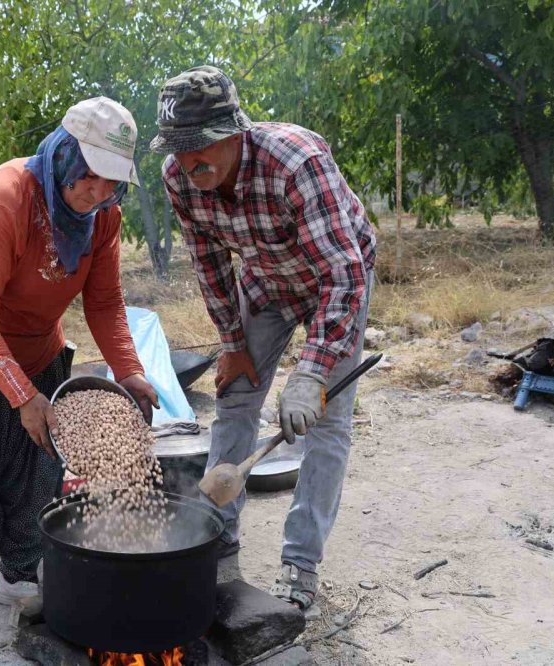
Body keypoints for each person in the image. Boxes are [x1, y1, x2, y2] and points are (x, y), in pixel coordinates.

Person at [0, 96, 159, 663]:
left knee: (34, 472)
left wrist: (131, 371)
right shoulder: (7, 198)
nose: (96, 192)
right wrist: (21, 394)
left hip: (36, 345)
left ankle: (19, 578)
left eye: (111, 182)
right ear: (65, 154)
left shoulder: (103, 219)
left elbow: (105, 302)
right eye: (89, 175)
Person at [152, 66, 376, 611]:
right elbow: (210, 264)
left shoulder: (295, 162)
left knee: (325, 424)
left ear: (235, 131)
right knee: (235, 399)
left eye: (199, 147)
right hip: (265, 282)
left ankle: (300, 565)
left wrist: (313, 373)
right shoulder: (179, 177)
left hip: (334, 282)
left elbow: (342, 275)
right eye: (177, 149)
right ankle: (214, 532)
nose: (188, 162)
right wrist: (232, 344)